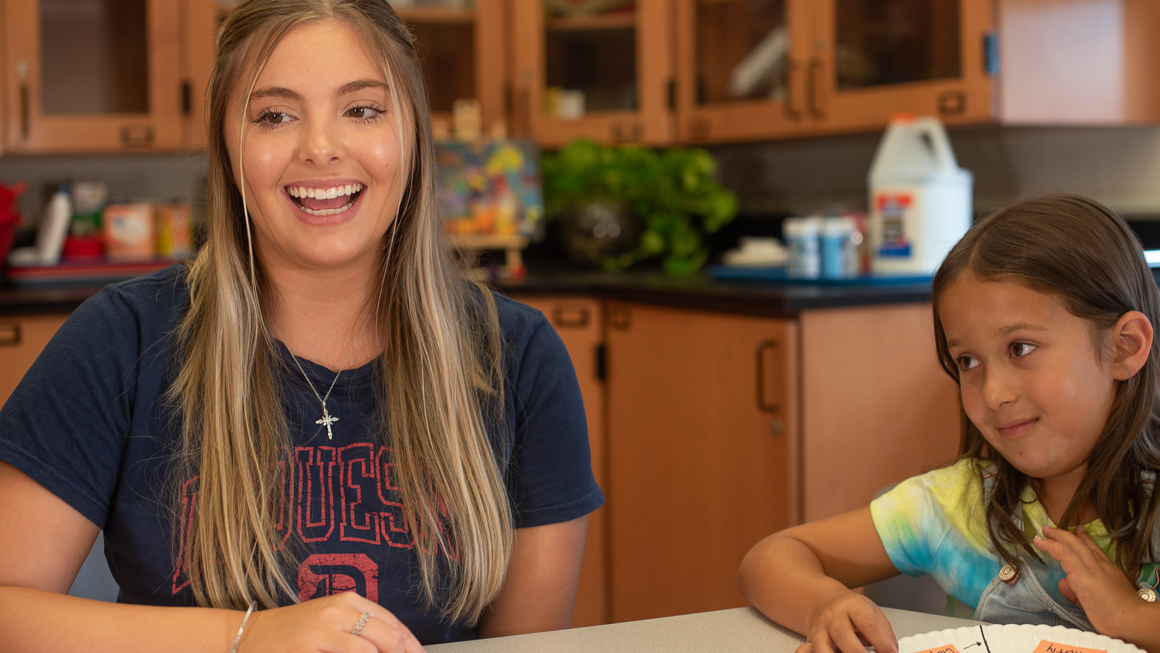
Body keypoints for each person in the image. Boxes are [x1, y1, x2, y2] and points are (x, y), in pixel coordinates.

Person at [0, 1, 603, 651]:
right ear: (229, 147)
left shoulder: (519, 357)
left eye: (363, 109)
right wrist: (243, 637)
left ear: (414, 134)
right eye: (275, 115)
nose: (320, 148)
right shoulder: (121, 340)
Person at [738, 195, 1160, 653]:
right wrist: (823, 603)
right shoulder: (954, 505)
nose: (993, 392)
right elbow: (769, 559)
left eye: (1020, 347)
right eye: (968, 360)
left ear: (1124, 347)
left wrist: (1132, 616)